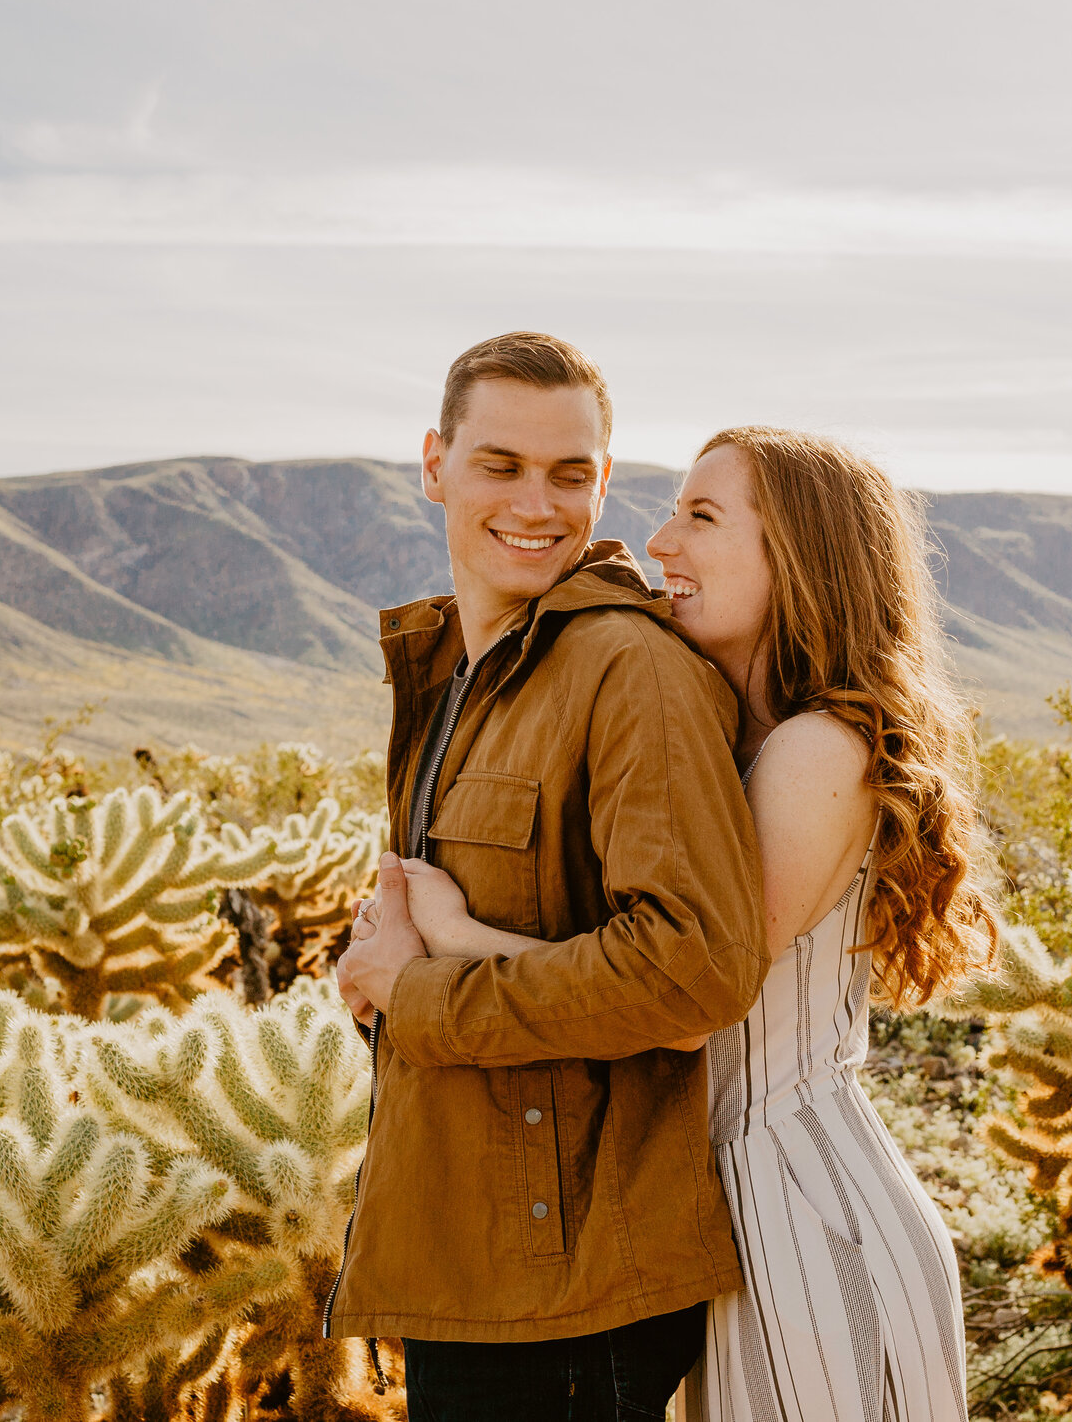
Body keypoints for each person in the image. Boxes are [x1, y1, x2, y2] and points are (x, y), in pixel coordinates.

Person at [382, 424, 996, 1422]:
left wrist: (447, 937)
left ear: (800, 553)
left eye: (701, 515)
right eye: (671, 509)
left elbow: (681, 1000)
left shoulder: (813, 749)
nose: (661, 541)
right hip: (722, 1212)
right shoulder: (729, 733)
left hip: (800, 1208)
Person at [328, 334, 768, 1422]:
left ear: (602, 483)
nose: (538, 501)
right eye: (500, 464)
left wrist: (414, 992)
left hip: (567, 1291)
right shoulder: (462, 669)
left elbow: (690, 970)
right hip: (468, 1258)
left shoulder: (630, 670)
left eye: (570, 472)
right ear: (434, 464)